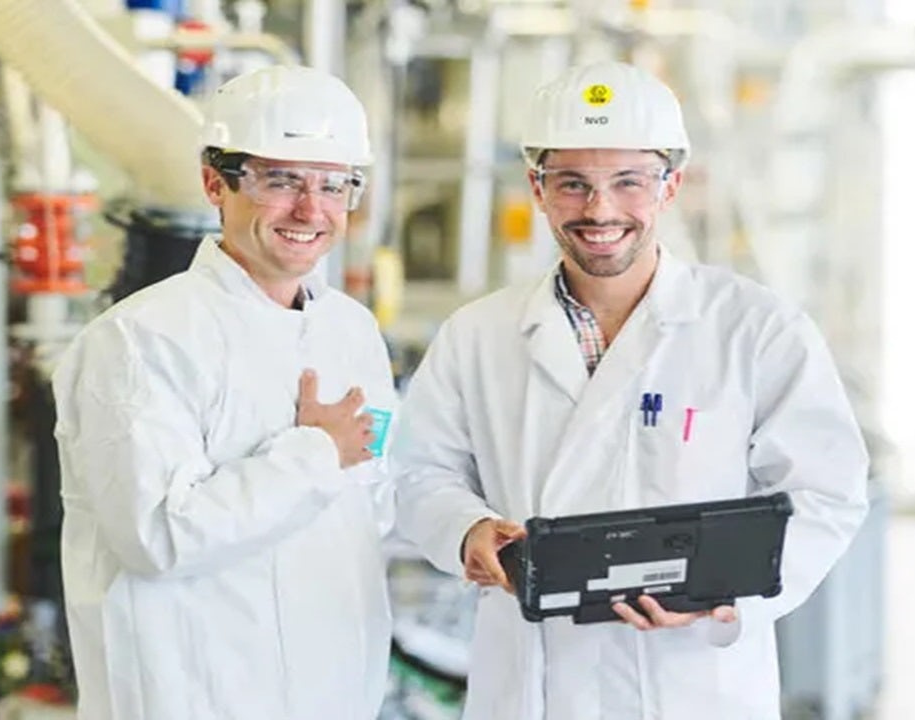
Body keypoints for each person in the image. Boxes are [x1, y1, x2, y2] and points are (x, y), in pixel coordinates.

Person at [391, 60, 870, 719]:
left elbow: (829, 492)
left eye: (628, 182)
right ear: (537, 187)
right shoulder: (479, 335)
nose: (601, 209)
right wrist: (465, 528)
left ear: (670, 186)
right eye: (572, 184)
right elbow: (418, 472)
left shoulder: (755, 329)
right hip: (536, 684)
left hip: (692, 681)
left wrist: (725, 594)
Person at [52, 65, 397, 720]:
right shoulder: (139, 341)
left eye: (333, 185)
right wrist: (314, 454)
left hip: (335, 694)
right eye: (281, 181)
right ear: (216, 181)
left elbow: (369, 507)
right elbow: (157, 536)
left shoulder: (350, 330)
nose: (310, 209)